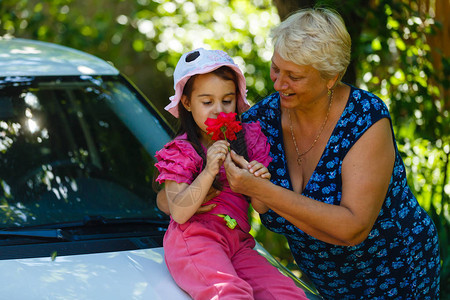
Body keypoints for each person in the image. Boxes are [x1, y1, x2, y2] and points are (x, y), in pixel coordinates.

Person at [220, 7, 440, 299]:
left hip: (392, 271)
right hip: (326, 280)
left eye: (294, 76)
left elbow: (352, 228)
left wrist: (261, 189)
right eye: (276, 68)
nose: (278, 84)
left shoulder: (364, 118)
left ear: (330, 78)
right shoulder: (262, 121)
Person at [154, 48, 307, 299]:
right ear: (187, 103)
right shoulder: (181, 151)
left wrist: (258, 182)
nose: (218, 110)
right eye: (207, 102)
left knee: (288, 293)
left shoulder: (249, 140)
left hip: (238, 243)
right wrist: (208, 171)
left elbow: (261, 208)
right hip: (195, 241)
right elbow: (179, 212)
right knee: (230, 294)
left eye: (227, 101)